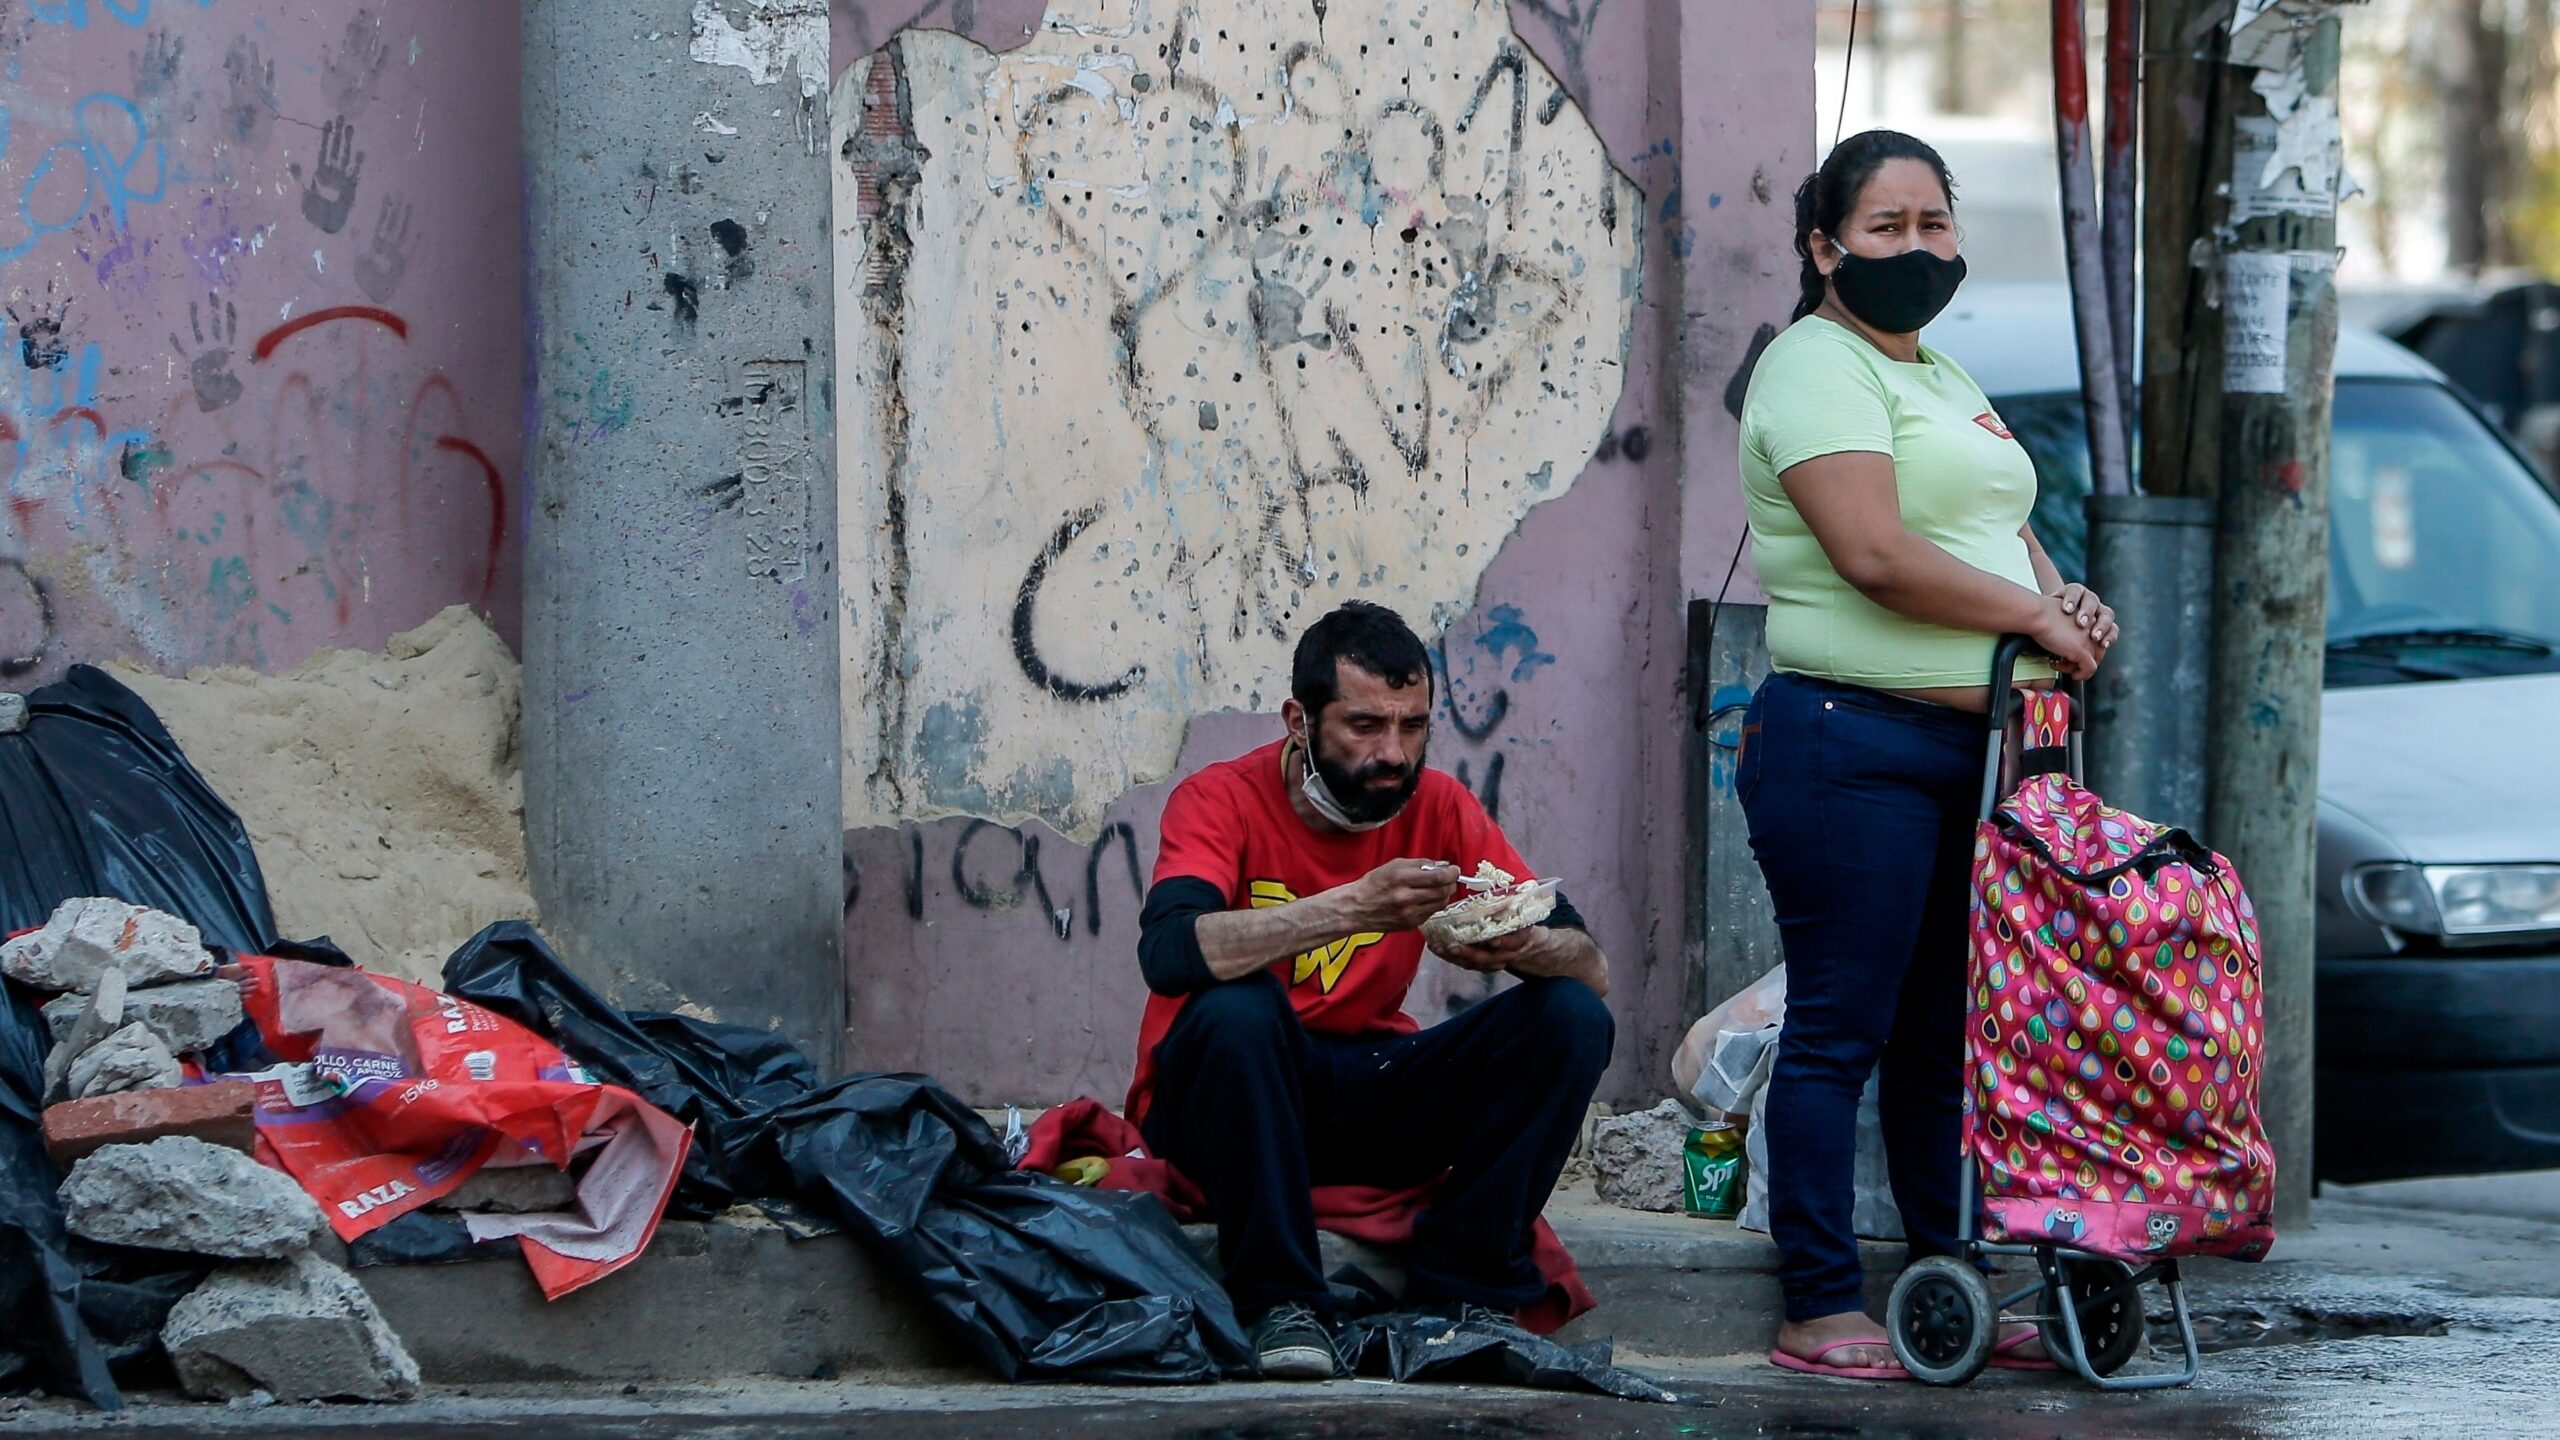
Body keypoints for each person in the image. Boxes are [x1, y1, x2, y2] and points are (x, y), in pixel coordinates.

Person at [1732, 129, 2119, 1381]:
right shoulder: (1814, 364)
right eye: (1885, 227)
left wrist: (2071, 607)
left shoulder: (1944, 371)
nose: (1915, 248)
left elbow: (2005, 537)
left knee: (1946, 1037)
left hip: (1981, 755)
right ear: (1822, 247)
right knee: (1840, 1027)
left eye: (1933, 224)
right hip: (1849, 747)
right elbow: (1876, 555)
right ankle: (1817, 1302)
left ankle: (1944, 1275)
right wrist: (2028, 617)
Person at [1129, 600, 1614, 1380]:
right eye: (1364, 726)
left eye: (1413, 726)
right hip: (1226, 1098)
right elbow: (1170, 952)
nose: (1392, 754)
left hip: (1363, 1086)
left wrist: (1522, 946)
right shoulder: (1218, 798)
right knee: (1235, 1009)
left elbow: (1593, 967)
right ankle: (1279, 1301)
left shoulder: (1440, 805)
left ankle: (1460, 1290)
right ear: (1299, 719)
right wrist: (1354, 906)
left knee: (1570, 1017)